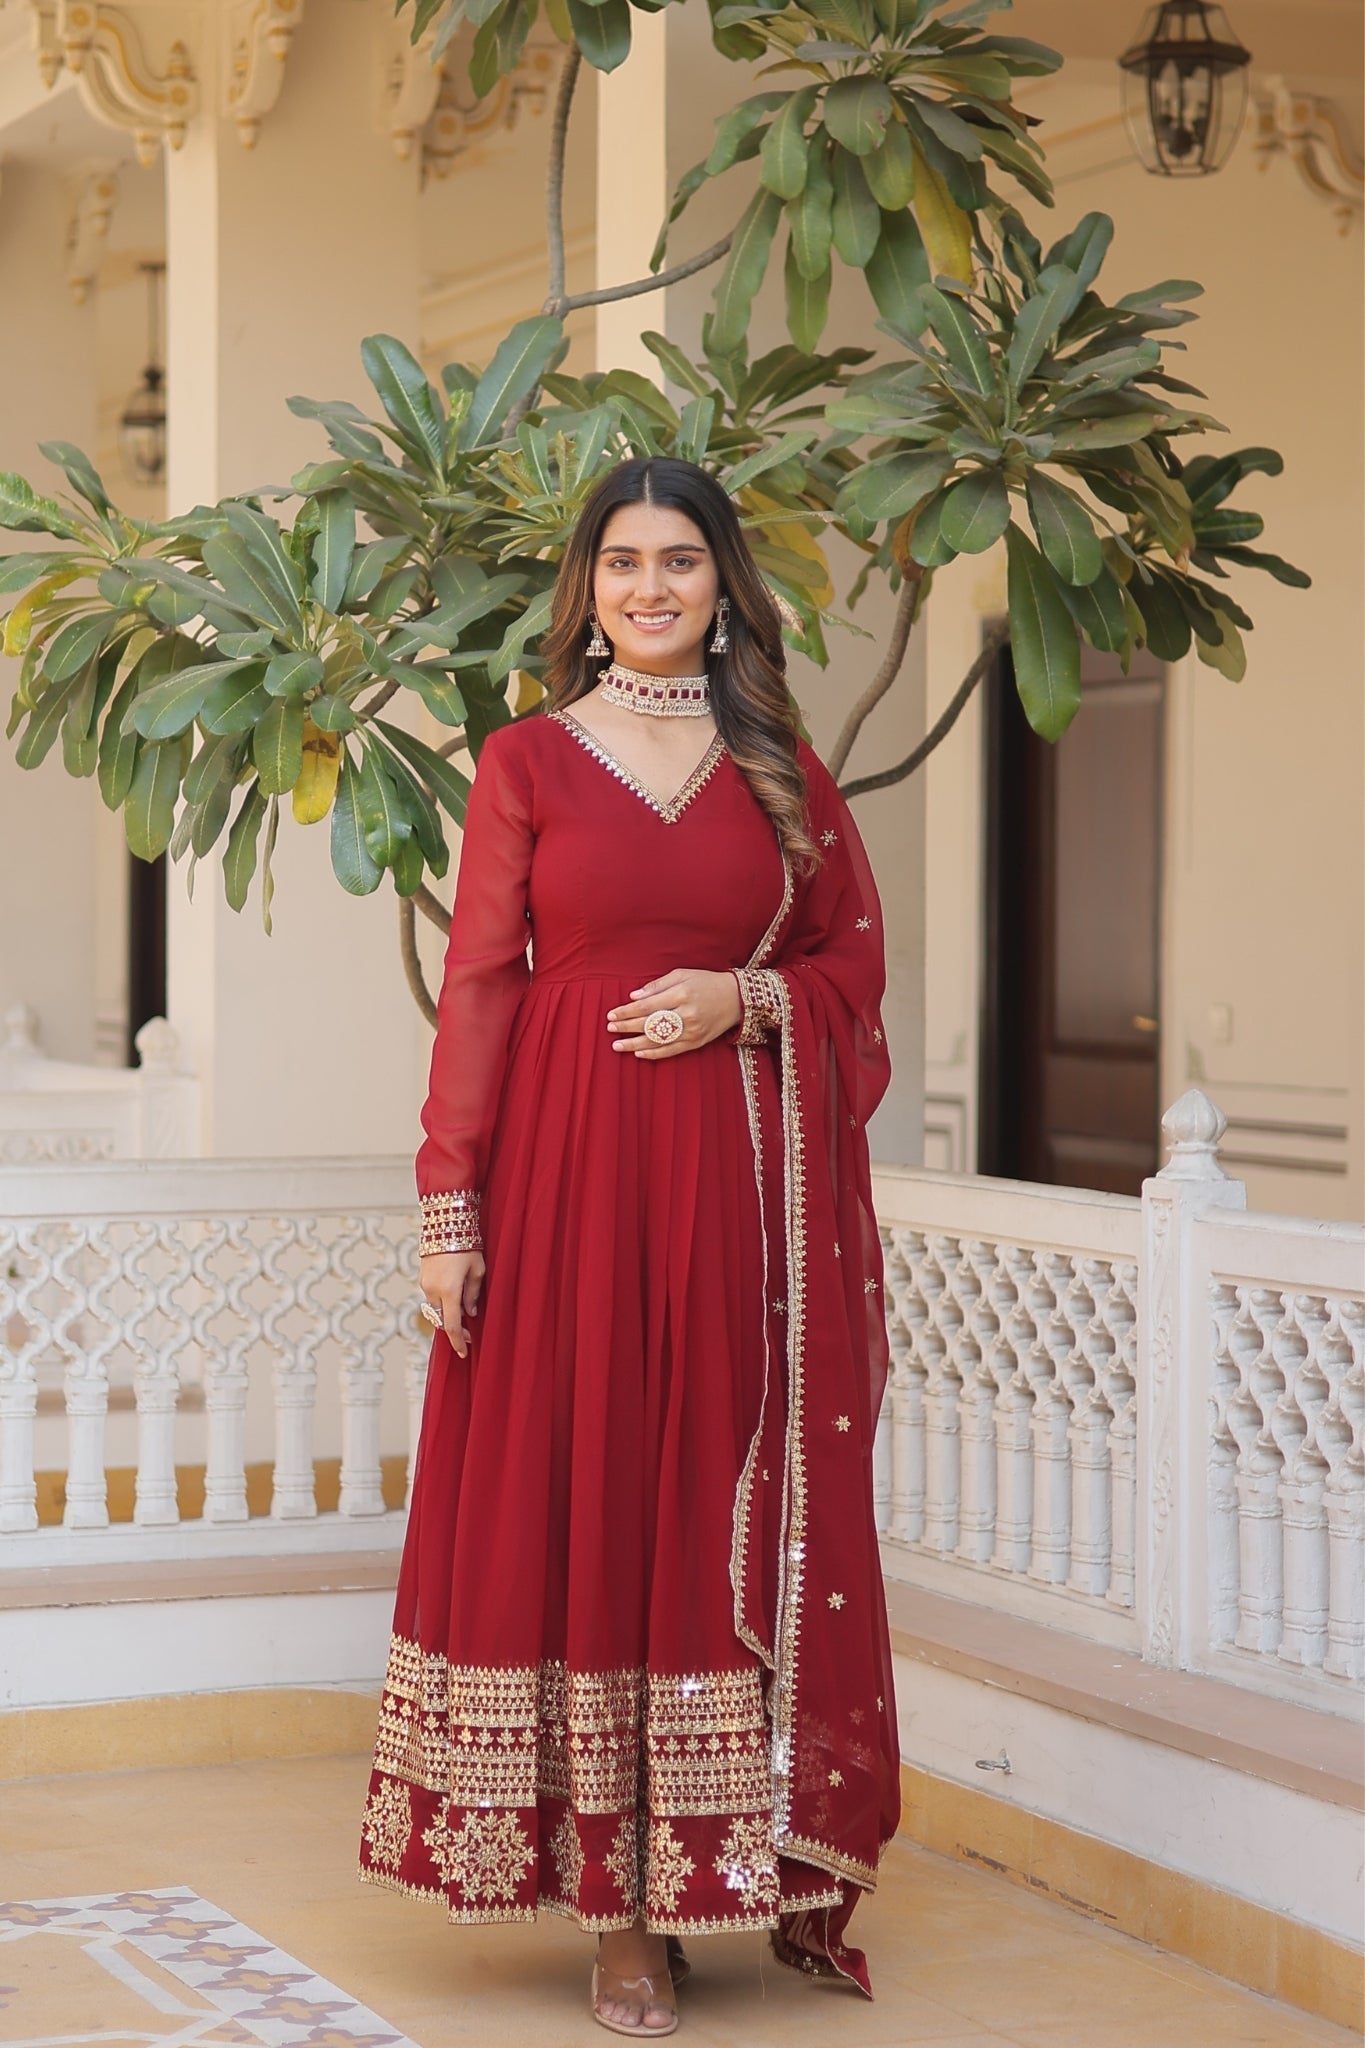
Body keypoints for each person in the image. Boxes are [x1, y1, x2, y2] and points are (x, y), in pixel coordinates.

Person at [358, 456, 900, 2036]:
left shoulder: (782, 765)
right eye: (620, 563)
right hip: (567, 1174)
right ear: (584, 588)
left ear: (724, 584)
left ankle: (710, 1868)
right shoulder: (527, 758)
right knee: (588, 1482)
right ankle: (615, 1913)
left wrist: (749, 1000)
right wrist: (448, 1207)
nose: (649, 588)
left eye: (678, 561)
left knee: (701, 1484)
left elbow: (848, 964)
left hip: (734, 1185)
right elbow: (479, 985)